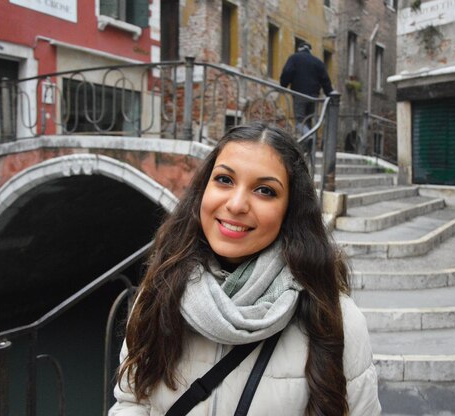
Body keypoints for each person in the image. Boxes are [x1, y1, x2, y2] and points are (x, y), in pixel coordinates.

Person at [110, 122, 381, 416]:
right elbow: (132, 403)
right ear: (203, 190)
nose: (237, 204)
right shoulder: (158, 294)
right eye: (225, 180)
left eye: (265, 190)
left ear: (290, 210)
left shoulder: (336, 319)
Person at [280, 42, 333, 132]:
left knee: (300, 121)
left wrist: (283, 85)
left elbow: (287, 72)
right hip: (313, 97)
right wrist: (330, 94)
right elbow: (325, 80)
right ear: (310, 50)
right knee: (309, 120)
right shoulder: (318, 62)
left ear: (299, 49)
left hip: (299, 94)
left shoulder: (294, 58)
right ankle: (310, 141)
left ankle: (308, 137)